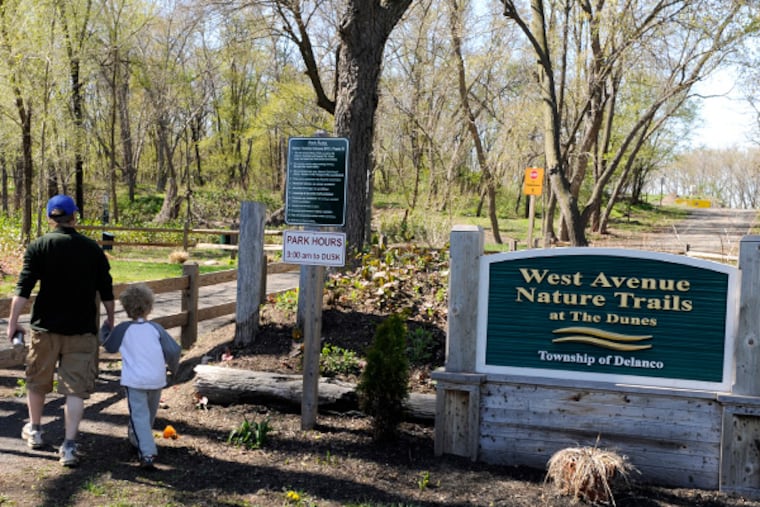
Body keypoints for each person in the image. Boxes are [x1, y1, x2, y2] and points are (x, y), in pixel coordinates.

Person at [6, 194, 115, 466]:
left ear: (48, 217)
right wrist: (111, 319)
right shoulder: (92, 249)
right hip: (81, 330)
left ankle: (36, 430)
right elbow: (107, 290)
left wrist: (12, 322)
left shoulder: (38, 247)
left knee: (37, 381)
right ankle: (68, 446)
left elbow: (23, 289)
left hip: (45, 328)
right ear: (74, 217)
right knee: (74, 390)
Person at [100, 283, 181, 469]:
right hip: (156, 379)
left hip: (135, 380)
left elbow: (109, 345)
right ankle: (137, 439)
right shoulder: (156, 328)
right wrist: (174, 369)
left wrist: (105, 329)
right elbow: (174, 350)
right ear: (149, 307)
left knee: (139, 416)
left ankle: (147, 453)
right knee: (148, 415)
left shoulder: (122, 329)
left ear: (126, 308)